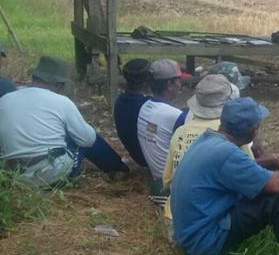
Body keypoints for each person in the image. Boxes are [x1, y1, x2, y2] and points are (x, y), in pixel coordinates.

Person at [170, 97, 279, 255]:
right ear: (252, 130)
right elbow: (274, 185)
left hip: (189, 235)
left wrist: (275, 160)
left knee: (262, 186)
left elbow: (245, 168)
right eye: (258, 126)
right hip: (204, 242)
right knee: (277, 196)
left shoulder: (208, 140)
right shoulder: (227, 153)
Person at [0, 56, 128, 188]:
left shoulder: (5, 100)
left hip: (14, 177)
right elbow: (88, 140)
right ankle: (118, 169)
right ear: (58, 84)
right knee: (83, 136)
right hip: (51, 176)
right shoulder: (61, 102)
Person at [161, 74, 241, 240]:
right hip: (205, 225)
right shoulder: (233, 134)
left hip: (173, 219)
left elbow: (166, 182)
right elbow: (249, 179)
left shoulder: (181, 132)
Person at [137, 59, 189, 202]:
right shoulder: (175, 116)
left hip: (157, 177)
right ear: (169, 85)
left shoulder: (145, 106)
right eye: (178, 81)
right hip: (173, 183)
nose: (181, 85)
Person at [114, 59, 152, 167]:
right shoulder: (148, 107)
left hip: (139, 158)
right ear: (147, 83)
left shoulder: (120, 101)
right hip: (152, 160)